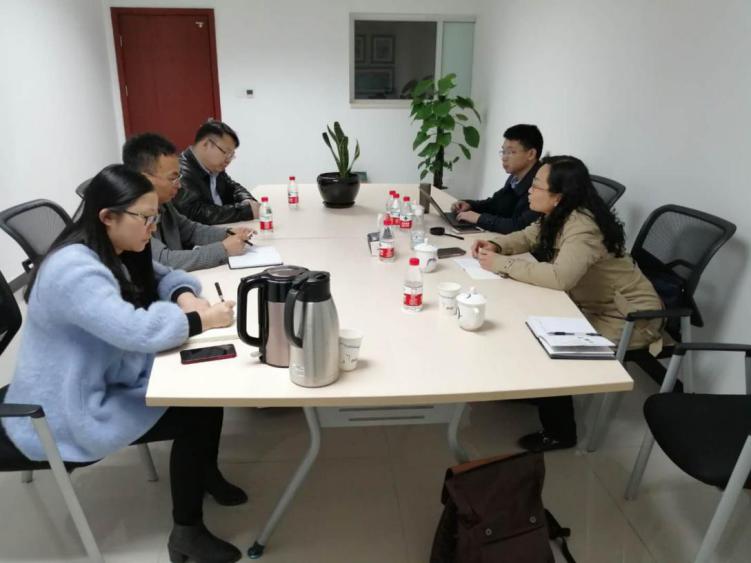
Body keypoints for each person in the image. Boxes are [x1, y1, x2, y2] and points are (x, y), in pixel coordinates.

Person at [1, 165, 245, 562]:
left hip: (97, 377)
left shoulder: (116, 245)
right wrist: (202, 319)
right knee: (196, 408)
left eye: (155, 217)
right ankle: (188, 532)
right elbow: (137, 331)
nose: (153, 227)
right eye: (145, 218)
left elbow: (164, 276)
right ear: (107, 217)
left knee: (200, 394)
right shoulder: (73, 269)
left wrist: (185, 297)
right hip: (64, 407)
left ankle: (204, 474)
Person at [472, 155, 663, 453]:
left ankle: (560, 432)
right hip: (592, 303)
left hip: (628, 317)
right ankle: (538, 391)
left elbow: (561, 278)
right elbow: (529, 236)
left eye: (537, 186)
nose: (530, 191)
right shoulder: (559, 214)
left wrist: (501, 263)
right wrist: (498, 245)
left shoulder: (583, 227)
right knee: (527, 318)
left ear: (558, 196)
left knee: (549, 340)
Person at [122, 132, 254, 271]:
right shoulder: (131, 216)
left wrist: (227, 233)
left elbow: (191, 230)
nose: (179, 185)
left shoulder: (163, 203)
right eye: (172, 178)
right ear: (144, 179)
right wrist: (223, 249)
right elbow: (165, 261)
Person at [451, 124, 543, 233]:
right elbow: (495, 203)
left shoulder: (542, 184)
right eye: (503, 152)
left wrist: (479, 218)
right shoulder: (514, 178)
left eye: (511, 152)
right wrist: (470, 205)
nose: (504, 158)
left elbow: (520, 226)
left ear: (531, 154)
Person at [174, 120, 259, 224]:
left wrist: (247, 200)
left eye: (231, 155)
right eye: (225, 152)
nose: (228, 160)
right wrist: (244, 211)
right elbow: (195, 214)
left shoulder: (213, 167)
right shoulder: (181, 172)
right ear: (205, 144)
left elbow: (233, 187)